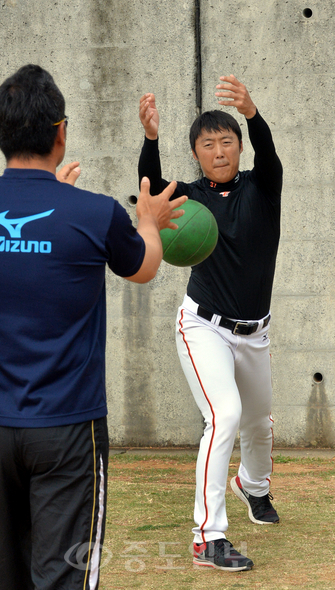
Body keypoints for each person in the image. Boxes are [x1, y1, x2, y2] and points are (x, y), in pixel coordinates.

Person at [0, 64, 187, 590]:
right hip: (67, 431)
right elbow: (143, 266)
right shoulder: (94, 214)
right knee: (62, 578)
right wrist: (148, 220)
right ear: (61, 132)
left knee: (3, 574)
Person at [138, 74, 283, 571]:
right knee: (225, 415)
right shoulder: (191, 197)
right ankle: (208, 537)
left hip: (255, 331)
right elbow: (151, 191)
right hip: (204, 325)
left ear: (240, 147)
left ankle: (253, 486)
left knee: (259, 423)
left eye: (227, 142)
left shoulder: (264, 188)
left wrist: (252, 111)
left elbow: (271, 156)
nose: (219, 150)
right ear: (196, 153)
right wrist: (151, 139)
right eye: (207, 144)